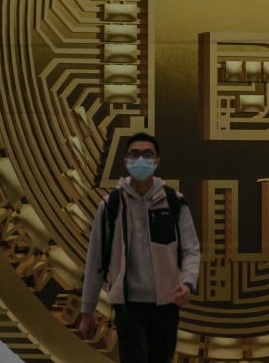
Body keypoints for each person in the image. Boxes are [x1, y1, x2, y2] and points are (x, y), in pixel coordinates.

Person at [78, 132, 201, 363]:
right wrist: (87, 311)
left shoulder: (175, 202)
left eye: (147, 154)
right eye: (134, 154)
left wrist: (188, 282)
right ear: (125, 161)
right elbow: (95, 261)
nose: (141, 160)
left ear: (157, 162)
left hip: (166, 305)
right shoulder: (111, 205)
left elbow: (191, 249)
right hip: (128, 307)